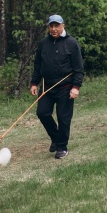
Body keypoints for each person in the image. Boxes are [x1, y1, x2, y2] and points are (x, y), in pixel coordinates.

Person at [30, 14, 84, 159]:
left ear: (63, 26)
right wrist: (34, 82)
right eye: (51, 26)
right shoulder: (43, 44)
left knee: (63, 118)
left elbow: (79, 68)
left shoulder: (72, 43)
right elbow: (38, 66)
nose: (54, 29)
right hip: (47, 87)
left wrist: (76, 87)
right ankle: (56, 137)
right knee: (42, 113)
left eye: (57, 26)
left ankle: (62, 147)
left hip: (66, 88)